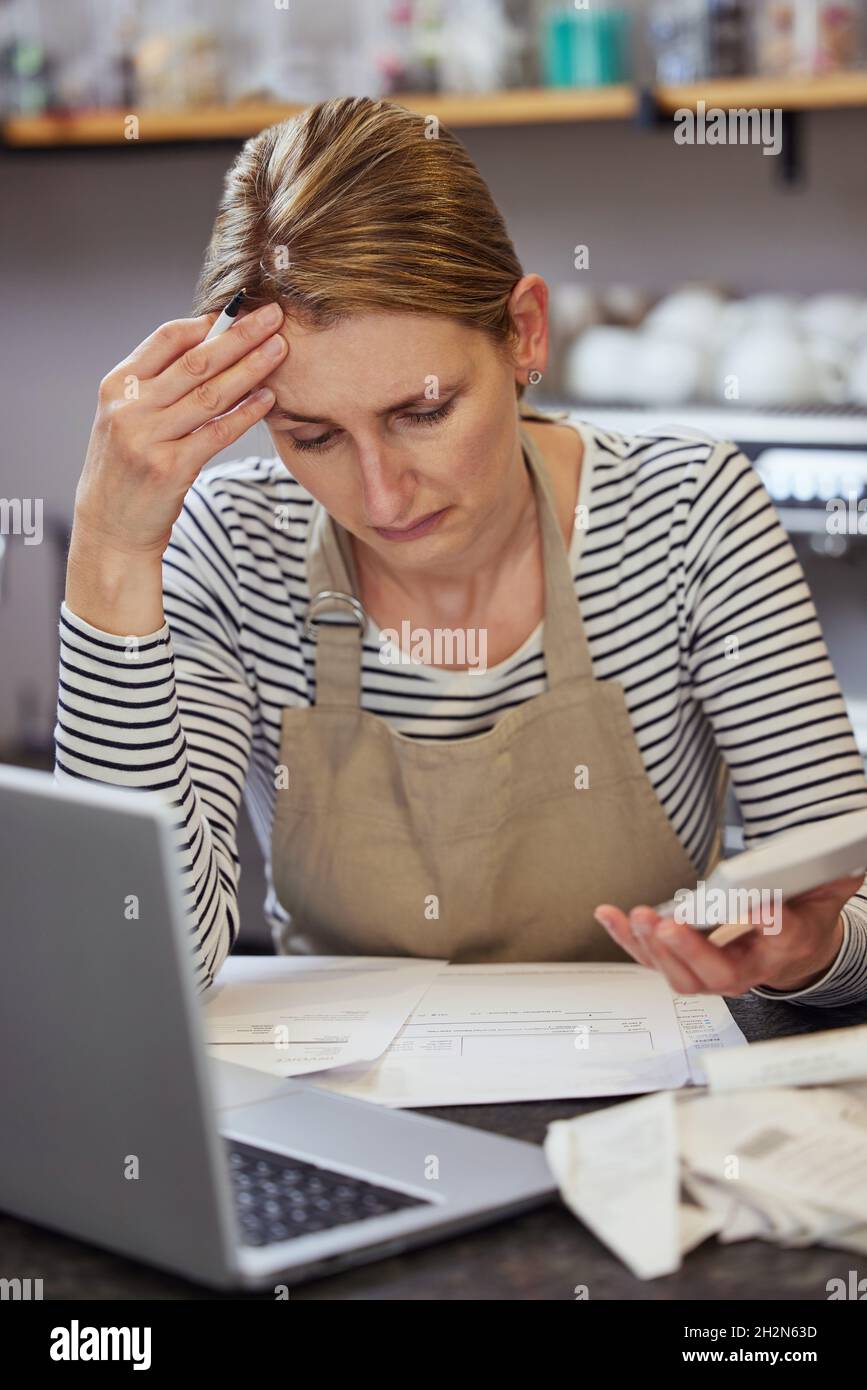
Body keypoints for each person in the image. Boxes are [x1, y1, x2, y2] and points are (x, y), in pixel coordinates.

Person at [57, 96, 867, 1004]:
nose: (380, 494)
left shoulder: (686, 516)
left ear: (524, 333)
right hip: (351, 1127)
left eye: (423, 413)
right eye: (312, 436)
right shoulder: (236, 545)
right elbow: (136, 966)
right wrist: (111, 550)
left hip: (638, 1113)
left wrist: (806, 952)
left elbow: (846, 908)